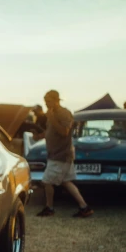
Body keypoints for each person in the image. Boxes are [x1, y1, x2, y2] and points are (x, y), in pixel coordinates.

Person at [36, 90, 93, 218]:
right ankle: (84, 207)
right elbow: (51, 131)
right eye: (45, 101)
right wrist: (39, 136)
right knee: (66, 182)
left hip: (60, 155)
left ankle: (49, 208)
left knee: (46, 182)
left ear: (56, 100)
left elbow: (64, 132)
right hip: (56, 155)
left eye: (48, 101)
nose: (46, 104)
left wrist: (52, 118)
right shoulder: (52, 113)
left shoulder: (63, 113)